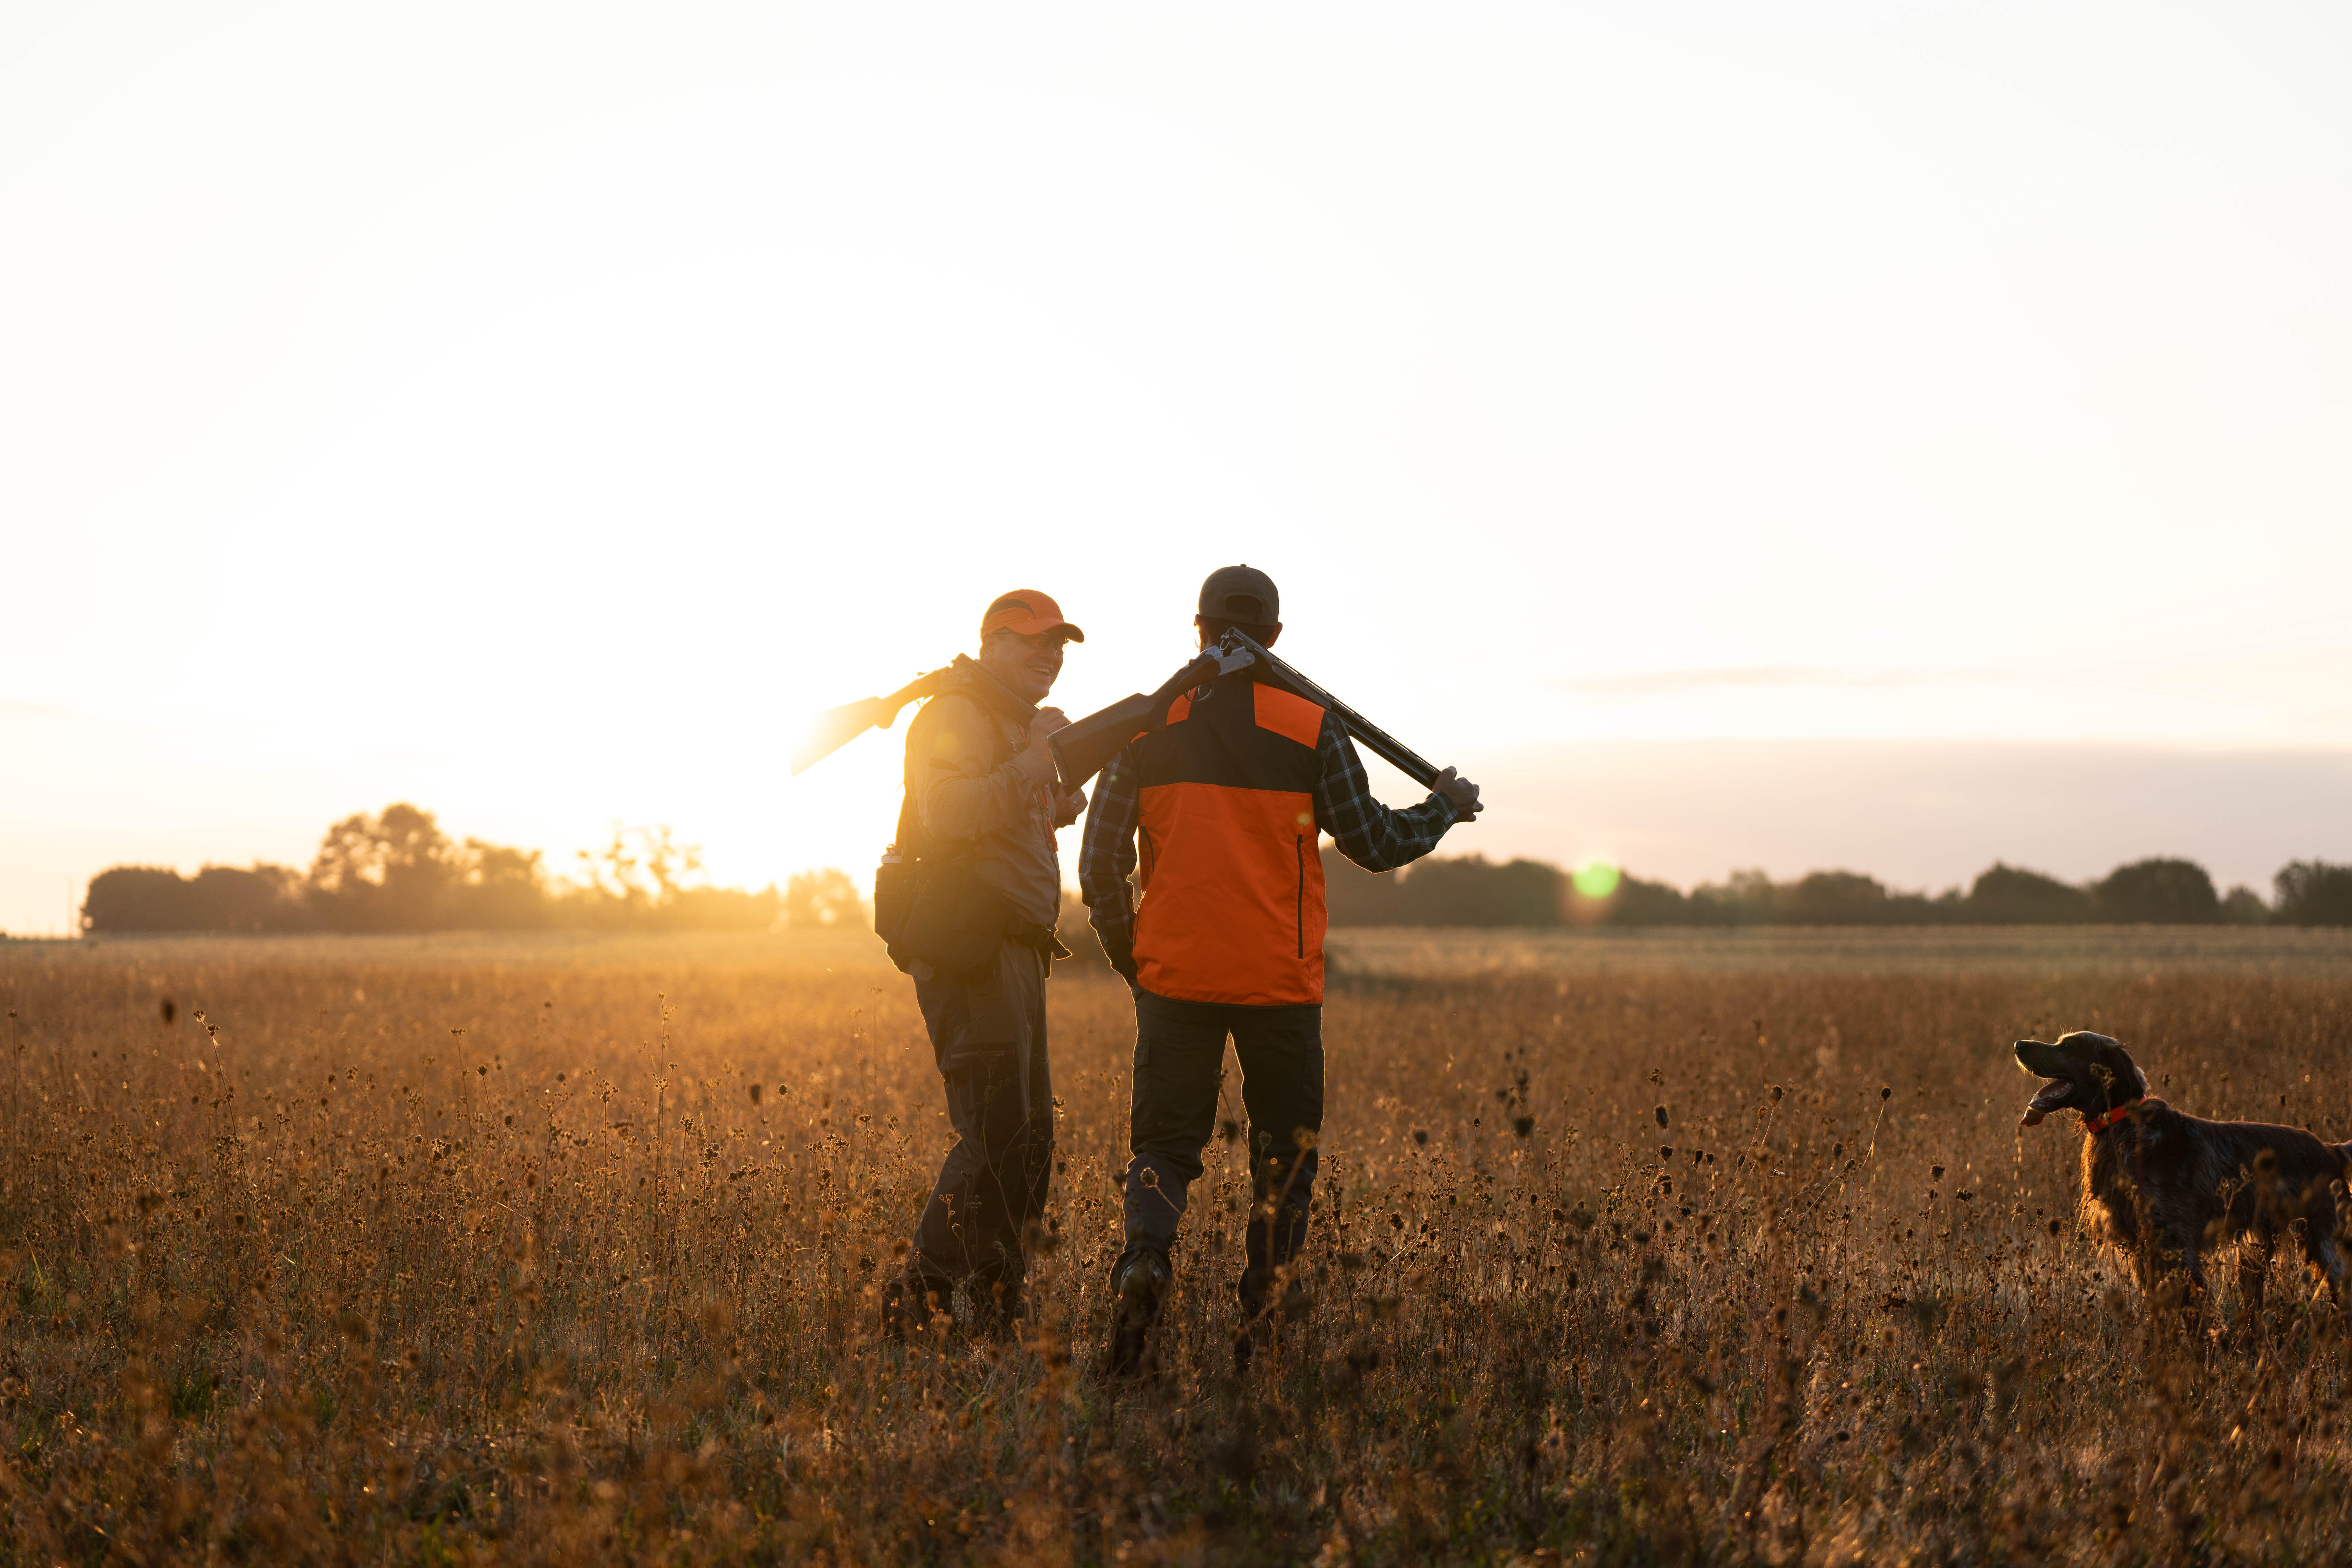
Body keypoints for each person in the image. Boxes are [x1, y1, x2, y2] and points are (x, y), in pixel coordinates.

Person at [1078, 565, 1482, 1376]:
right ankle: (1259, 1330)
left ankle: (1146, 1262)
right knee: (1284, 1160)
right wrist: (1443, 805)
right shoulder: (1311, 726)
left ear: (1197, 628)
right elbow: (1376, 843)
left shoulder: (1144, 726)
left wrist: (1136, 959)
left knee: (1162, 1147)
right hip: (1279, 986)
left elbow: (1098, 865)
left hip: (1175, 979)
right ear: (1276, 637)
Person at [881, 589, 1087, 1338]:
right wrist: (1034, 762)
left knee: (1029, 1141)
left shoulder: (1007, 721)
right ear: (990, 643)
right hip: (974, 951)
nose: (1049, 655)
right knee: (996, 1135)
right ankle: (917, 1300)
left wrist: (1056, 794)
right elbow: (945, 813)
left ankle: (998, 1302)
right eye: (1032, 641)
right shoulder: (957, 713)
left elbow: (1005, 818)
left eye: (1058, 644)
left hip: (1016, 951)